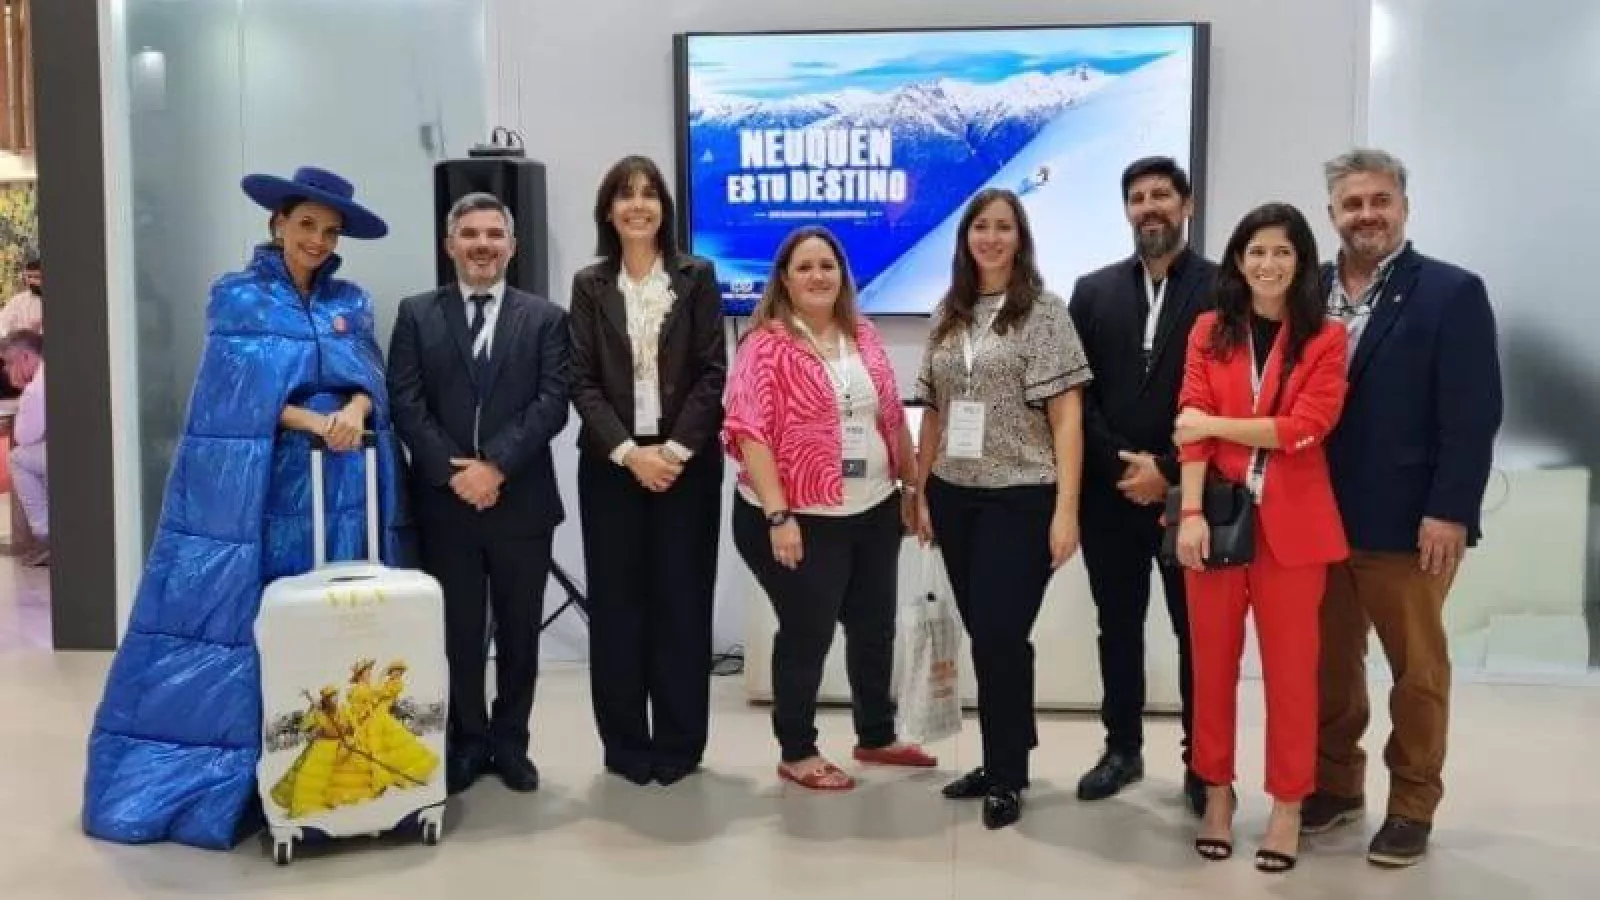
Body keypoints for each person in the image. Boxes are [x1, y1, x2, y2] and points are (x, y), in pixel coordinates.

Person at [83, 166, 403, 849]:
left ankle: (326, 771)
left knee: (328, 624)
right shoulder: (238, 297)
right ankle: (245, 774)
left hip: (341, 491)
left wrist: (355, 407)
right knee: (255, 618)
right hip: (263, 490)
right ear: (278, 223)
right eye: (306, 225)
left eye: (330, 231)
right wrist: (310, 421)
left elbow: (372, 377)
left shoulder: (351, 299)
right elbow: (230, 398)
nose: (317, 240)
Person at [1305, 149, 1503, 868]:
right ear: (1332, 214)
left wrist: (1450, 509)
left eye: (1379, 200)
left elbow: (1473, 414)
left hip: (1409, 523)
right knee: (1329, 667)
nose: (1367, 215)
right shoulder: (1306, 289)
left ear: (1404, 207)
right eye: (1352, 203)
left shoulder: (1451, 292)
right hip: (1315, 520)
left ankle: (1413, 804)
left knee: (1417, 672)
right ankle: (1336, 785)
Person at [1172, 202, 1349, 873]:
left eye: (1282, 251)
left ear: (1301, 262)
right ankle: (1217, 795)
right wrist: (1190, 513)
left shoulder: (1324, 338)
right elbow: (1186, 428)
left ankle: (1287, 807)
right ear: (1238, 261)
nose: (1268, 264)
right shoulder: (1209, 331)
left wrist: (1214, 425)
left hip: (1293, 530)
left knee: (1292, 676)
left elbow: (1307, 427)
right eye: (1256, 251)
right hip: (1216, 519)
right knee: (1211, 668)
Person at [724, 225, 933, 793]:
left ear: (843, 274)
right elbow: (749, 432)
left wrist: (911, 489)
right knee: (807, 633)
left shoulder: (863, 333)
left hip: (872, 510)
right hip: (796, 518)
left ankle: (876, 735)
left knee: (873, 629)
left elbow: (891, 417)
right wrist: (779, 516)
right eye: (804, 267)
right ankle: (797, 750)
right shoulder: (764, 344)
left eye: (827, 265)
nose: (818, 276)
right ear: (785, 280)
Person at [912, 188, 1092, 829]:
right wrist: (920, 491)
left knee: (999, 636)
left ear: (1020, 239)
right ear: (965, 238)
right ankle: (1001, 758)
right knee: (990, 640)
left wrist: (1066, 510)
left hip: (1021, 496)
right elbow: (934, 413)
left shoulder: (1044, 313)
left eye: (1003, 227)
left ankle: (1007, 772)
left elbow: (1067, 419)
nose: (990, 238)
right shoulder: (948, 313)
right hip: (953, 495)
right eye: (980, 227)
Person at [388, 191, 571, 796]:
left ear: (512, 247)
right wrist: (456, 473)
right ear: (450, 245)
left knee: (520, 633)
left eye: (494, 234)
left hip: (522, 503)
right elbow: (405, 402)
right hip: (446, 506)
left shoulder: (545, 318)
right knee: (458, 633)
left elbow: (552, 403)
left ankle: (511, 742)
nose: (482, 245)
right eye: (470, 234)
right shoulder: (416, 314)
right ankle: (467, 740)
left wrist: (494, 466)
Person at [569, 156, 726, 786]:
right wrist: (631, 453)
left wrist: (674, 451)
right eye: (625, 195)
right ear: (609, 211)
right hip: (612, 468)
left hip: (687, 467)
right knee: (617, 607)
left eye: (649, 194)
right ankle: (627, 745)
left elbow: (713, 372)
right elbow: (581, 380)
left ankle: (680, 744)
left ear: (665, 207)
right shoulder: (589, 284)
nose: (638, 205)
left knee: (682, 604)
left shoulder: (697, 276)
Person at [1067, 157, 1217, 814]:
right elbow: (1077, 393)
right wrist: (1123, 467)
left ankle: (1202, 761)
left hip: (1191, 496)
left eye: (1161, 194)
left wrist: (1168, 470)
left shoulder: (1224, 288)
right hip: (1111, 494)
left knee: (1196, 633)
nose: (1149, 206)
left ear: (1187, 205)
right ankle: (1121, 749)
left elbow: (1226, 393)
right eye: (1137, 197)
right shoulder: (1093, 291)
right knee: (1118, 626)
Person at [2, 329, 47, 565]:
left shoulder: (35, 389)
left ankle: (45, 533)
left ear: (26, 357)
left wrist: (22, 392)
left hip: (67, 457)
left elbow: (24, 436)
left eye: (10, 363)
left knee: (18, 457)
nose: (7, 370)